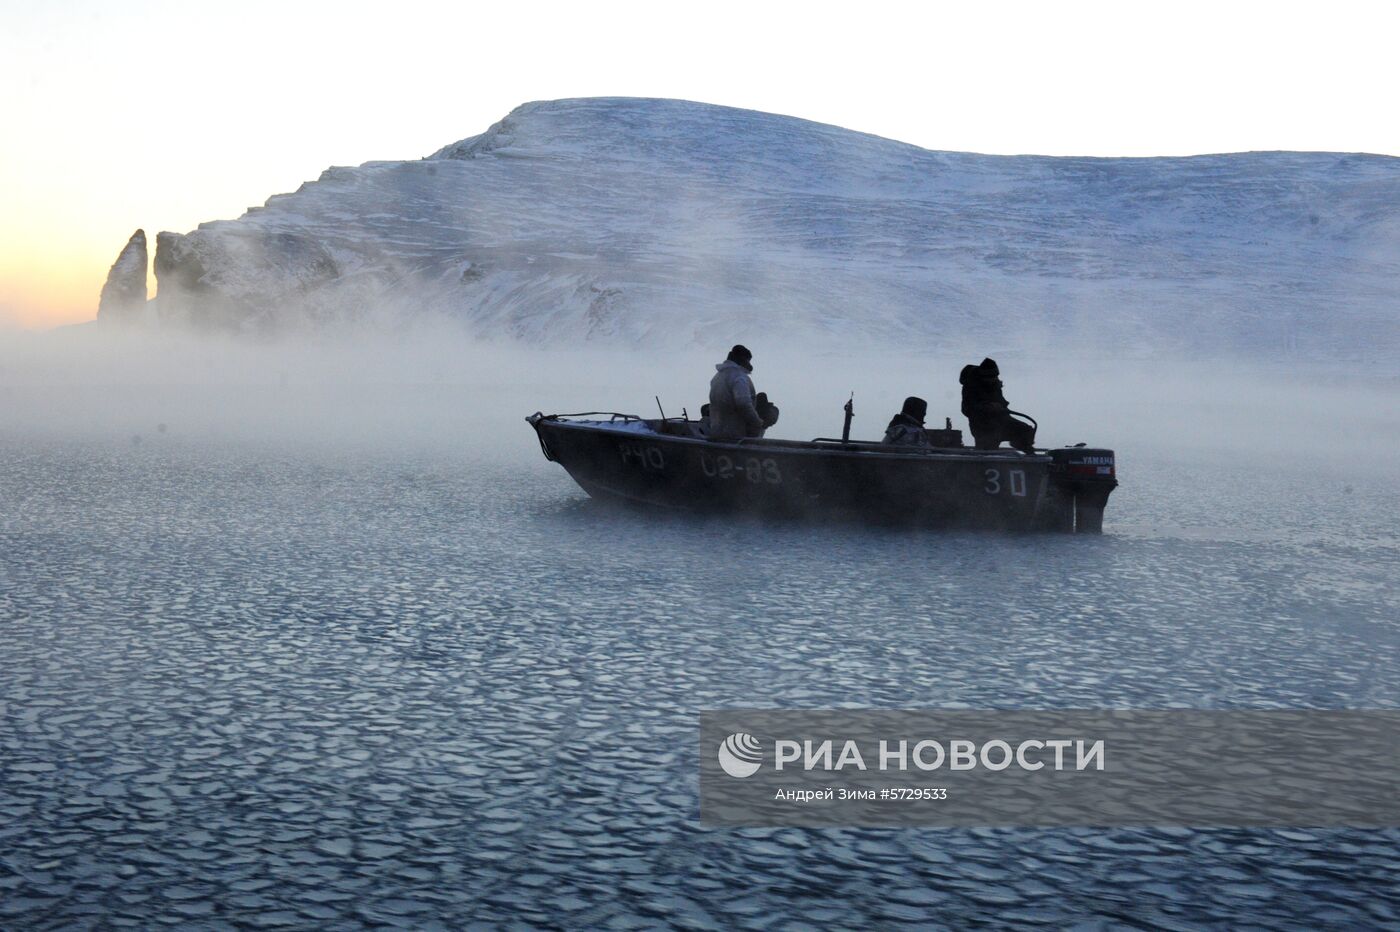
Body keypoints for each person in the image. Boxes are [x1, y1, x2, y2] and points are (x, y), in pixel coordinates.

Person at [960, 358, 1036, 453]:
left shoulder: (995, 385)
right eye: (990, 377)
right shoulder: (971, 386)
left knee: (1025, 430)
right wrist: (988, 407)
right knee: (988, 451)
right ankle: (984, 463)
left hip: (1002, 420)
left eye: (995, 376)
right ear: (983, 376)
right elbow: (967, 409)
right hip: (982, 425)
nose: (994, 379)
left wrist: (1002, 407)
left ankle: (1028, 454)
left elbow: (1001, 402)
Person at [708, 344, 765, 441]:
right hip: (736, 435)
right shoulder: (739, 377)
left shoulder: (717, 377)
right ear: (743, 360)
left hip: (717, 432)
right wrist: (757, 422)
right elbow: (743, 404)